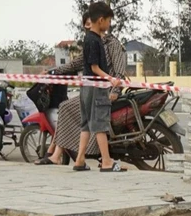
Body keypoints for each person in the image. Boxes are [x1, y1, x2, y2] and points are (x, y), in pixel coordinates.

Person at [37, 10, 129, 165]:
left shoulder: (110, 44)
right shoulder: (93, 41)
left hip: (104, 91)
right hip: (92, 88)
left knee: (86, 120)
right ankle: (74, 157)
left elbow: (118, 71)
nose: (87, 26)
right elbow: (76, 63)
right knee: (83, 121)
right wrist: (53, 72)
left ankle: (63, 155)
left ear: (95, 21)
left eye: (88, 23)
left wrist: (114, 90)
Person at [73, 1, 124, 172]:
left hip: (86, 86)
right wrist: (111, 79)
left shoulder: (89, 39)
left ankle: (79, 160)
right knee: (100, 123)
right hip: (96, 87)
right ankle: (107, 162)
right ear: (101, 20)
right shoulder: (94, 41)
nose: (109, 25)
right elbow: (95, 67)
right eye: (108, 21)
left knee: (86, 124)